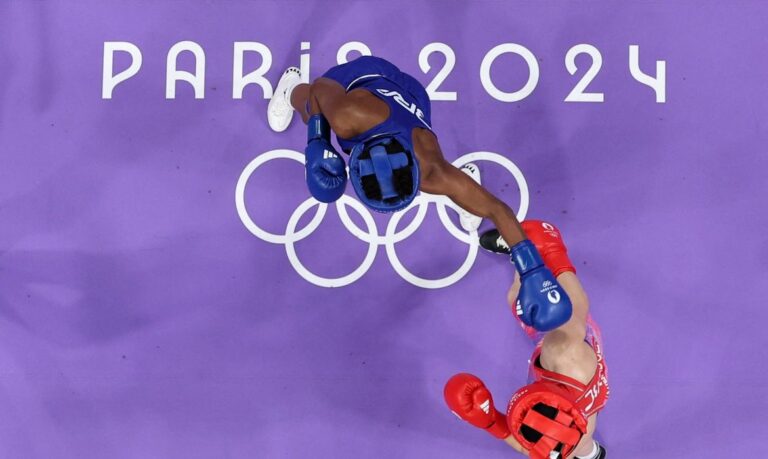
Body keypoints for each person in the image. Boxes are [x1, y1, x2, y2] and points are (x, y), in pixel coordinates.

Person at [267, 56, 571, 332]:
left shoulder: (432, 171)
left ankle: (463, 188)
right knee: (311, 108)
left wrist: (534, 269)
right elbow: (322, 87)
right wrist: (317, 140)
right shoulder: (348, 117)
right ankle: (291, 86)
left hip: (412, 96)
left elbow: (497, 209)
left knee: (450, 184)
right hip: (359, 77)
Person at [444, 220, 610, 459]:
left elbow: (527, 447)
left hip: (566, 394)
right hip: (572, 360)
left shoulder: (561, 439)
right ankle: (530, 251)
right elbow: (578, 310)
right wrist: (552, 252)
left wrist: (490, 421)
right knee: (532, 303)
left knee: (516, 297)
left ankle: (591, 454)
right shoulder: (565, 354)